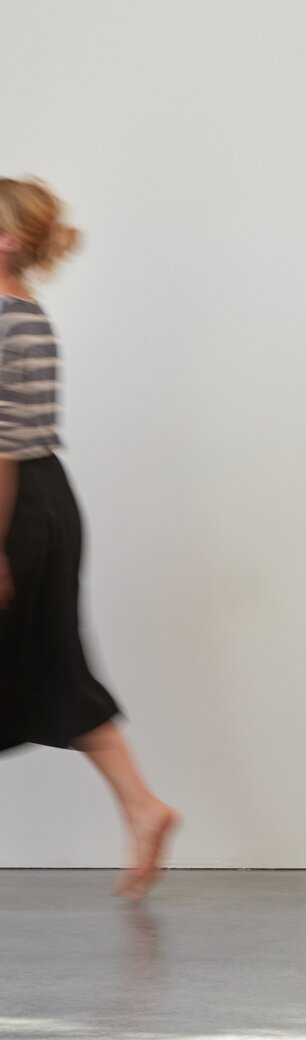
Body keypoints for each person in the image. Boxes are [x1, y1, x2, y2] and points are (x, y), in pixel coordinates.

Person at [0, 177, 177, 900]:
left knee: (48, 667)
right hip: (49, 501)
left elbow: (2, 451)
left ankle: (144, 805)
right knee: (53, 668)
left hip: (15, 508)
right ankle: (143, 805)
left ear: (7, 240)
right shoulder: (30, 311)